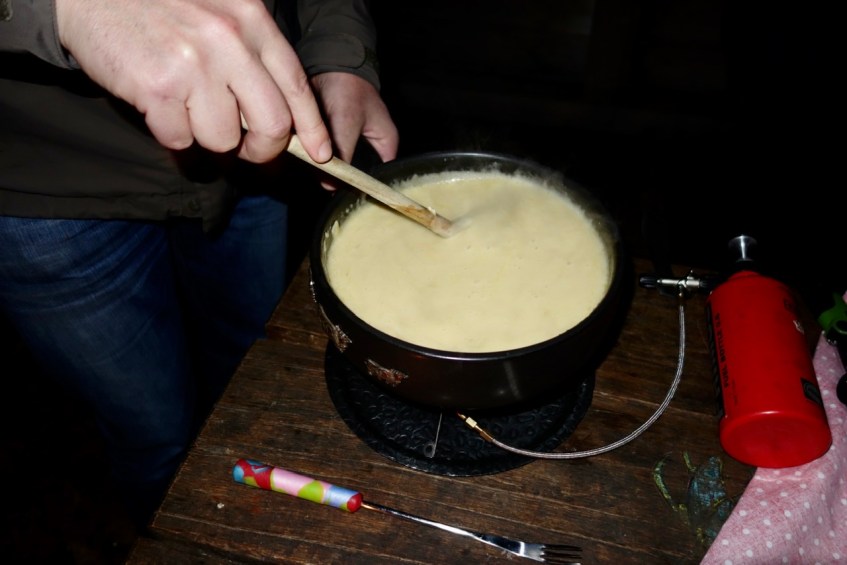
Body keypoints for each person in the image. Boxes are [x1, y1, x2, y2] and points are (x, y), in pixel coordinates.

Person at [0, 0, 398, 528]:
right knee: (156, 434)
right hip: (48, 187)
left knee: (249, 377)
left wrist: (338, 48)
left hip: (257, 148)